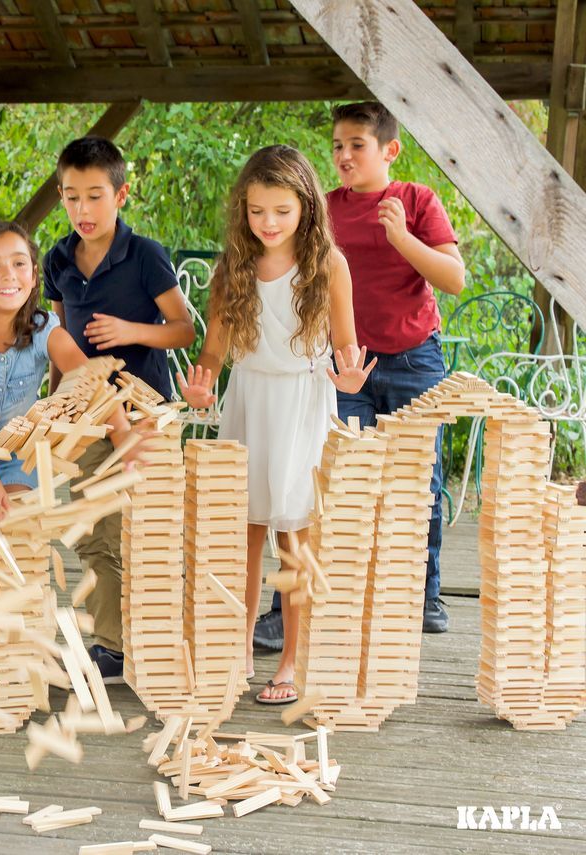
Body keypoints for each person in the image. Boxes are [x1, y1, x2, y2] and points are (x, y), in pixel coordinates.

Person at [254, 102, 465, 650]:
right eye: (337, 146)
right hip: (336, 366)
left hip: (411, 357)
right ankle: (292, 607)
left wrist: (402, 239)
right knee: (318, 481)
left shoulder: (417, 201)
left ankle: (423, 594)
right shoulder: (321, 209)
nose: (344, 156)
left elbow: (454, 278)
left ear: (389, 150)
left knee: (421, 482)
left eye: (357, 145)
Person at [176, 145, 374, 704]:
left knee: (297, 537)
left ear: (306, 208)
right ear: (243, 208)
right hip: (248, 397)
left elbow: (345, 345)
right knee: (242, 533)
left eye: (281, 212)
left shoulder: (329, 265)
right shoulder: (232, 267)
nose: (267, 223)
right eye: (257, 211)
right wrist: (202, 383)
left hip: (305, 402)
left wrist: (351, 375)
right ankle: (236, 649)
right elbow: (214, 350)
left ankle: (292, 658)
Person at [43, 135, 196, 682]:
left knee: (149, 528)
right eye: (70, 197)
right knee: (95, 530)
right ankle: (113, 645)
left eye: (94, 196)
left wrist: (129, 331)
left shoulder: (147, 255)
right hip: (84, 416)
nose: (82, 210)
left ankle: (162, 638)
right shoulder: (56, 258)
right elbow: (59, 334)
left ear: (121, 194)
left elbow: (183, 330)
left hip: (144, 413)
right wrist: (58, 402)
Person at [0, 219, 135, 513]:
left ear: (33, 276)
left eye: (19, 264)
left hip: (17, 459)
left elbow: (90, 377)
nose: (9, 275)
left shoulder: (43, 329)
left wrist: (122, 434)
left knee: (14, 525)